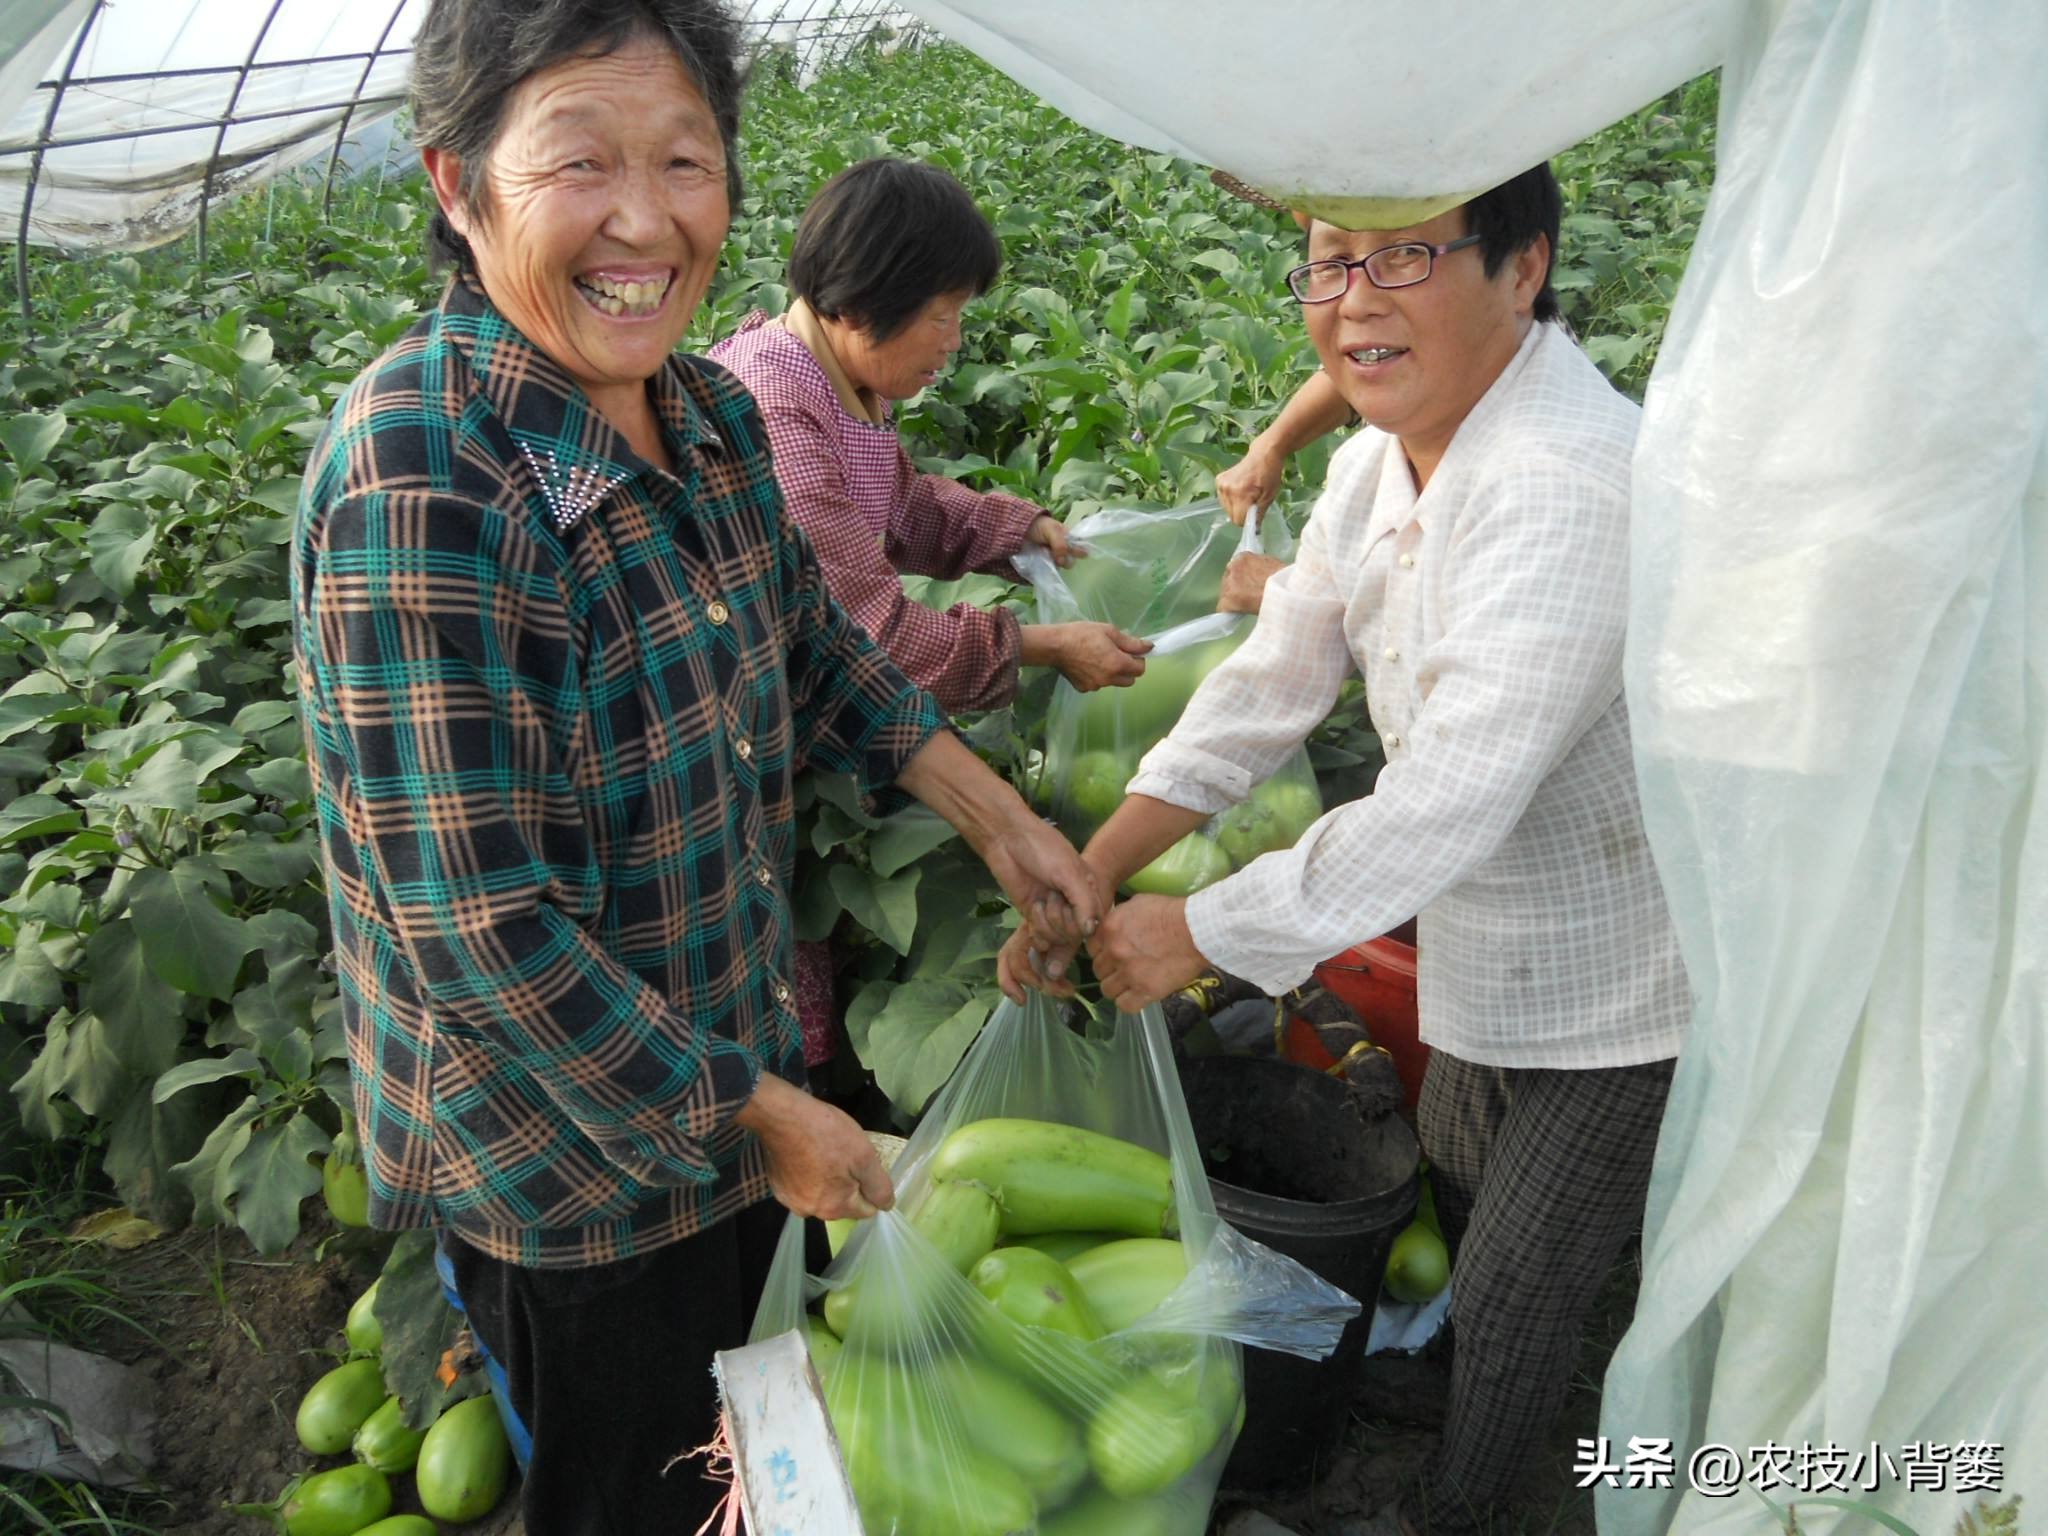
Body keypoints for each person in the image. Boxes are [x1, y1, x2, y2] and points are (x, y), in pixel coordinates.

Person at [290, 5, 1098, 1531]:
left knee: (742, 1448)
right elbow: (483, 931)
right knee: (637, 1486)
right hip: (570, 1169)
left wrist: (999, 820)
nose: (645, 221)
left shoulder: (708, 415)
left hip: (725, 1072)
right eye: (579, 165)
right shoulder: (431, 474)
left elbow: (815, 645)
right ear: (460, 187)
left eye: (687, 162)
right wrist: (764, 1113)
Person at [1001, 166, 1689, 1534]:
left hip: (1635, 978)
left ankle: (1475, 1504)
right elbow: (1274, 679)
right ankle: (1460, 1382)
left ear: (1525, 266)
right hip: (1499, 928)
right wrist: (1101, 860)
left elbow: (1447, 796)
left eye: (1403, 259)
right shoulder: (1382, 456)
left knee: (1514, 1296)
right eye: (1329, 263)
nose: (1353, 301)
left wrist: (1196, 930)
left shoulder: (1567, 482)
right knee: (1461, 1166)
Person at [708, 157, 1151, 714]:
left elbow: (899, 505)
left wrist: (1015, 532)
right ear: (856, 305)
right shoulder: (773, 413)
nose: (955, 341)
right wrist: (1043, 646)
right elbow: (861, 636)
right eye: (941, 318)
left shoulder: (830, 373)